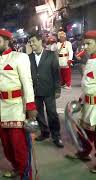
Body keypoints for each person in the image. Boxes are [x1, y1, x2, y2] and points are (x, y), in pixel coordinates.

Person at [0, 29, 37, 179]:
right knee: (7, 145)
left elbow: (27, 83)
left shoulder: (20, 57)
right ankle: (17, 168)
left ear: (7, 41)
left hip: (16, 108)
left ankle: (26, 175)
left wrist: (30, 107)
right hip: (0, 108)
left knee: (19, 146)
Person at [67, 30, 96, 173]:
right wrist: (81, 99)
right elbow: (88, 84)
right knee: (83, 131)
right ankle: (85, 152)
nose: (85, 46)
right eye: (84, 43)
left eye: (88, 43)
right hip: (87, 104)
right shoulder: (90, 59)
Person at [28, 32, 64, 148]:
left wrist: (57, 89)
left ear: (40, 41)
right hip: (35, 91)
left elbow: (56, 73)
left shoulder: (51, 55)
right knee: (38, 114)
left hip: (49, 90)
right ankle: (45, 132)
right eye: (30, 42)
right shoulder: (28, 57)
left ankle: (56, 136)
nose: (31, 44)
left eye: (33, 41)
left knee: (52, 113)